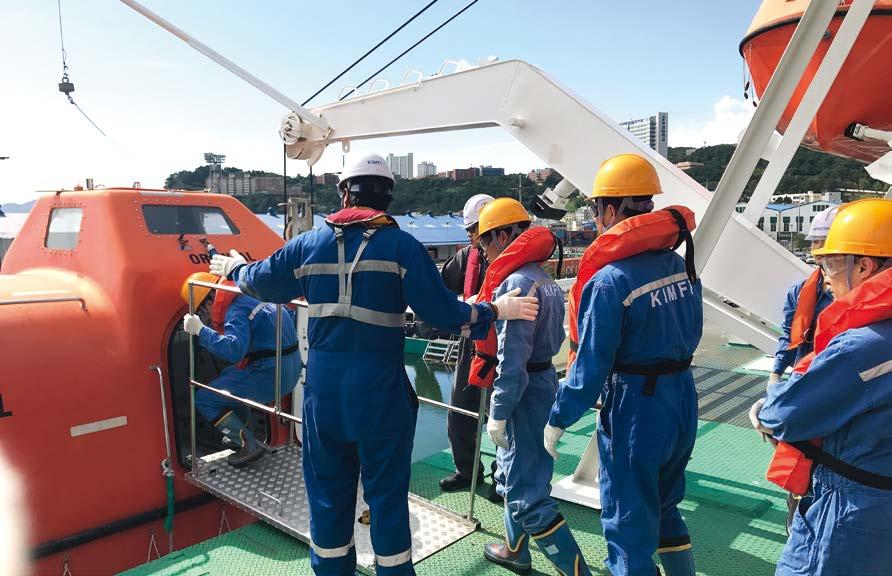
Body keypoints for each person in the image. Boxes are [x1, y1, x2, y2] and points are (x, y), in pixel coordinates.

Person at [208, 154, 538, 576]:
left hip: (324, 397)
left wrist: (234, 267)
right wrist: (495, 310)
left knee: (328, 500)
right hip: (382, 396)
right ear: (387, 198)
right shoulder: (403, 247)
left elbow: (260, 279)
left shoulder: (308, 244)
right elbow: (444, 313)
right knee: (386, 501)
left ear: (345, 192)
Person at [545, 153, 703, 576]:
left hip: (639, 408)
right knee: (666, 505)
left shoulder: (610, 280)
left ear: (610, 210)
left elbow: (591, 366)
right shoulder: (680, 264)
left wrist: (558, 419)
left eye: (597, 209)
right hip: (683, 399)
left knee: (628, 524)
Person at [755, 199, 892, 576]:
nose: (825, 275)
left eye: (831, 263)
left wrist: (767, 405)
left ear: (864, 266)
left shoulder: (862, 347)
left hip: (851, 506)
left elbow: (785, 416)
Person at [470, 198, 591, 576]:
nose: (484, 252)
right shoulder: (544, 279)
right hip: (542, 385)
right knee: (512, 475)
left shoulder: (518, 283)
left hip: (524, 394)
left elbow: (512, 360)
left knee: (528, 498)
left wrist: (499, 412)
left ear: (504, 235)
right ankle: (513, 550)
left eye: (485, 243)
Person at [181, 271, 300, 467]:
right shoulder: (250, 296)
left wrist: (200, 330)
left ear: (209, 303)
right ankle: (241, 432)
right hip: (290, 368)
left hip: (272, 376)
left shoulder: (234, 310)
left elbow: (234, 350)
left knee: (204, 398)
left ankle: (247, 444)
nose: (206, 318)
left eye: (202, 314)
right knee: (229, 375)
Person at [438, 193, 494, 493]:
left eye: (475, 230)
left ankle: (505, 476)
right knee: (460, 410)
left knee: (505, 416)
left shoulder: (517, 262)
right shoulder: (464, 258)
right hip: (472, 343)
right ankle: (467, 470)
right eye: (470, 231)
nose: (472, 237)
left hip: (506, 344)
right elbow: (437, 287)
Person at [769, 206, 838, 383]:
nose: (815, 248)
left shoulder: (855, 295)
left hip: (836, 376)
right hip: (804, 374)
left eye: (822, 241)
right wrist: (776, 373)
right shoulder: (800, 291)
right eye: (814, 241)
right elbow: (789, 333)